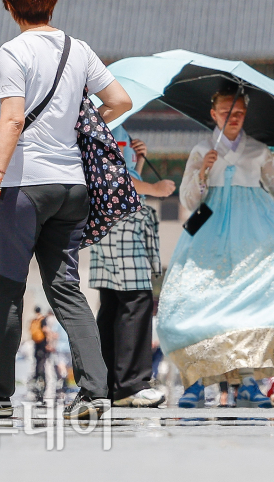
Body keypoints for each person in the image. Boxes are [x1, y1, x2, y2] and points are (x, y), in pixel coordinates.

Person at [0, 0, 132, 421]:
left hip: (24, 189)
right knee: (66, 287)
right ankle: (94, 390)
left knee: (7, 291)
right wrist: (78, 126)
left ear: (9, 3)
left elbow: (11, 119)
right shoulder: (79, 48)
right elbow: (119, 100)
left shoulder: (14, 52)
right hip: (72, 188)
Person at [158, 86, 274, 410]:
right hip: (209, 232)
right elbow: (188, 200)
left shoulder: (258, 150)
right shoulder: (201, 149)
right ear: (214, 114)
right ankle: (196, 381)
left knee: (247, 305)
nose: (234, 119)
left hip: (254, 235)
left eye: (239, 113)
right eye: (227, 113)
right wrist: (202, 172)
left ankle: (248, 381)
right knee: (197, 301)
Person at [91, 129, 174, 408]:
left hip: (109, 225)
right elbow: (115, 179)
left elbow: (122, 174)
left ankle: (111, 383)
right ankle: (132, 383)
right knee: (136, 301)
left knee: (114, 305)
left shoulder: (110, 124)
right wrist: (156, 189)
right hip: (122, 227)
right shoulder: (107, 125)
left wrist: (138, 162)